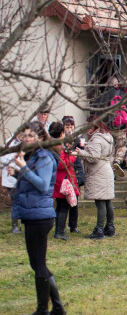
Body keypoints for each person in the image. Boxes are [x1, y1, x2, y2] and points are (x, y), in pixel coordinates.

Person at [11, 121, 65, 315]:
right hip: (32, 214)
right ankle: (56, 307)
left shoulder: (44, 157)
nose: (26, 139)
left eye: (31, 136)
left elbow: (43, 186)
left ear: (41, 138)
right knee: (37, 264)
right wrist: (19, 171)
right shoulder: (33, 155)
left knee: (39, 264)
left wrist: (23, 168)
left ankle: (44, 309)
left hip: (40, 217)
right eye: (24, 136)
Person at [74, 116, 116, 240]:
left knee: (100, 201)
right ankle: (110, 227)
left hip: (98, 172)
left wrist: (80, 153)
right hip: (106, 170)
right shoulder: (107, 136)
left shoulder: (97, 139)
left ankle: (99, 229)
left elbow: (94, 157)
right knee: (108, 200)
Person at [49, 122, 80, 241]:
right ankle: (60, 231)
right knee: (63, 207)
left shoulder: (54, 145)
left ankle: (59, 230)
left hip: (61, 179)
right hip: (62, 180)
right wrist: (73, 157)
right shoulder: (57, 147)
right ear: (61, 133)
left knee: (61, 206)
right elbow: (61, 164)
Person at [2, 126, 34, 234]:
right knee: (16, 201)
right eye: (23, 136)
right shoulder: (9, 143)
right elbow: (3, 158)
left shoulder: (24, 144)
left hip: (22, 176)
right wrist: (15, 164)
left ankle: (21, 224)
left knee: (22, 201)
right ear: (18, 135)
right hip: (11, 178)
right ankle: (15, 226)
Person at [61, 116, 84, 234]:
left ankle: (73, 225)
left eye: (71, 126)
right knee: (63, 202)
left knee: (74, 201)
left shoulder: (77, 139)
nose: (69, 129)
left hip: (75, 172)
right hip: (65, 172)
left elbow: (80, 158)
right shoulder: (61, 140)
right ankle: (61, 226)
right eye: (67, 127)